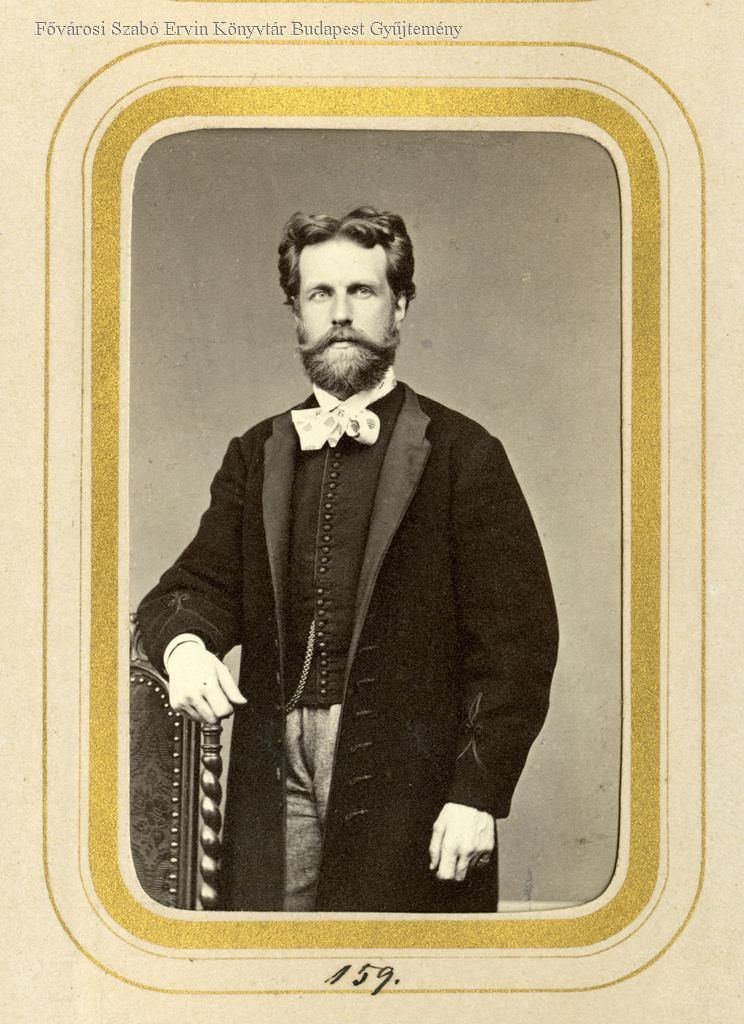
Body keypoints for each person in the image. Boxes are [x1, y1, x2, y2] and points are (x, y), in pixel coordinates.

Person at [137, 207, 559, 913]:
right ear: (296, 313)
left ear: (401, 306)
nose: (340, 314)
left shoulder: (466, 454)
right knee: (276, 968)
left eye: (361, 291)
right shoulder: (256, 452)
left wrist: (479, 793)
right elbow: (193, 588)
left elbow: (517, 643)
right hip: (272, 767)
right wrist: (184, 649)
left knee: (391, 970)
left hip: (412, 780)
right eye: (319, 294)